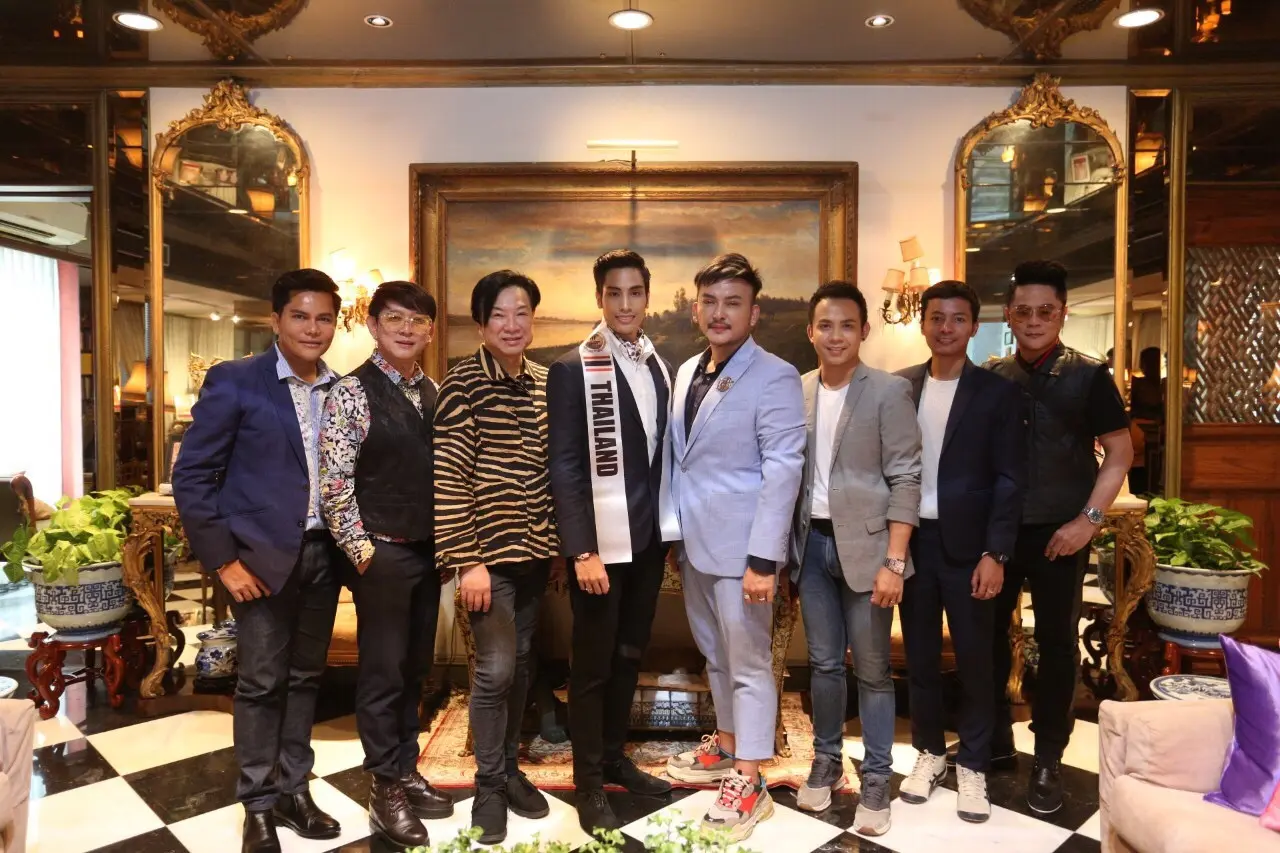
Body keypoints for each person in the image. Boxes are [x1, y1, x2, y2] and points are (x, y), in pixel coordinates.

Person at [172, 269, 345, 853]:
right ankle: (259, 805)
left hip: (323, 556)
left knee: (306, 679)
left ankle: (296, 790)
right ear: (276, 320)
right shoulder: (237, 380)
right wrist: (224, 562)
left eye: (323, 318)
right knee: (262, 682)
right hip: (260, 560)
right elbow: (194, 477)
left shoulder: (340, 389)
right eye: (300, 316)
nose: (312, 328)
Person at [663, 253, 805, 842]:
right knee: (715, 657)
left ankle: (749, 779)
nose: (720, 313)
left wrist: (764, 559)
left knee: (748, 664)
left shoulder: (775, 375)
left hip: (745, 552)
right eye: (711, 302)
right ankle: (726, 748)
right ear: (697, 309)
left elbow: (784, 469)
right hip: (695, 545)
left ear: (754, 312)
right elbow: (682, 460)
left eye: (733, 303)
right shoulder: (688, 369)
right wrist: (673, 534)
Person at [985, 260, 1133, 814]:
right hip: (1000, 532)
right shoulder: (995, 376)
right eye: (1023, 311)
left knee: (1055, 644)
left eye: (1044, 311)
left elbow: (1120, 453)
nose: (1033, 321)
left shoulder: (1088, 376)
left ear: (1062, 314)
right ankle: (995, 739)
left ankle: (1048, 755)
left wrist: (1087, 520)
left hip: (1060, 534)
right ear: (1009, 315)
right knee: (989, 637)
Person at [547, 250, 678, 833]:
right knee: (594, 667)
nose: (625, 304)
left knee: (629, 656)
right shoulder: (574, 369)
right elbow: (565, 467)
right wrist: (581, 550)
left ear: (647, 297)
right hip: (599, 548)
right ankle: (589, 782)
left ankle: (613, 757)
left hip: (647, 544)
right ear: (599, 298)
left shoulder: (660, 365)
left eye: (635, 293)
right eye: (614, 293)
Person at [318, 281, 453, 848]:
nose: (406, 328)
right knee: (382, 674)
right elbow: (334, 484)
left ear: (430, 331)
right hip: (382, 552)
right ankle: (383, 790)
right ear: (373, 325)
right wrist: (363, 552)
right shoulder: (351, 392)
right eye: (394, 318)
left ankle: (405, 767)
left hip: (427, 552)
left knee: (415, 668)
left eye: (418, 320)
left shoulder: (433, 391)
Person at [789, 281, 921, 837]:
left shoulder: (889, 391)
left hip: (870, 551)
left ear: (864, 330)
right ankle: (825, 761)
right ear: (811, 331)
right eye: (826, 325)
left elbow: (907, 478)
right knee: (822, 664)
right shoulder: (797, 389)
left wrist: (895, 562)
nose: (836, 335)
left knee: (872, 670)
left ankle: (877, 776)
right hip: (812, 547)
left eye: (847, 325)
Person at [894, 280, 1026, 824]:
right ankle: (929, 752)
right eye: (936, 317)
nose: (945, 327)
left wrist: (996, 552)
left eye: (957, 318)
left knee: (975, 661)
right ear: (922, 323)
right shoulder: (900, 387)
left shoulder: (997, 393)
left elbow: (1010, 479)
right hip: (913, 542)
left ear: (973, 326)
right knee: (921, 658)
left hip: (971, 549)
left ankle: (972, 761)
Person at [434, 270, 558, 845]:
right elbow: (450, 476)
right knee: (496, 670)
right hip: (488, 559)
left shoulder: (543, 382)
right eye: (500, 315)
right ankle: (488, 785)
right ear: (481, 324)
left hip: (535, 554)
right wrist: (467, 561)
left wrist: (558, 548)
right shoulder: (461, 383)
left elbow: (554, 470)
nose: (512, 325)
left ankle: (509, 770)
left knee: (524, 664)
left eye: (521, 313)